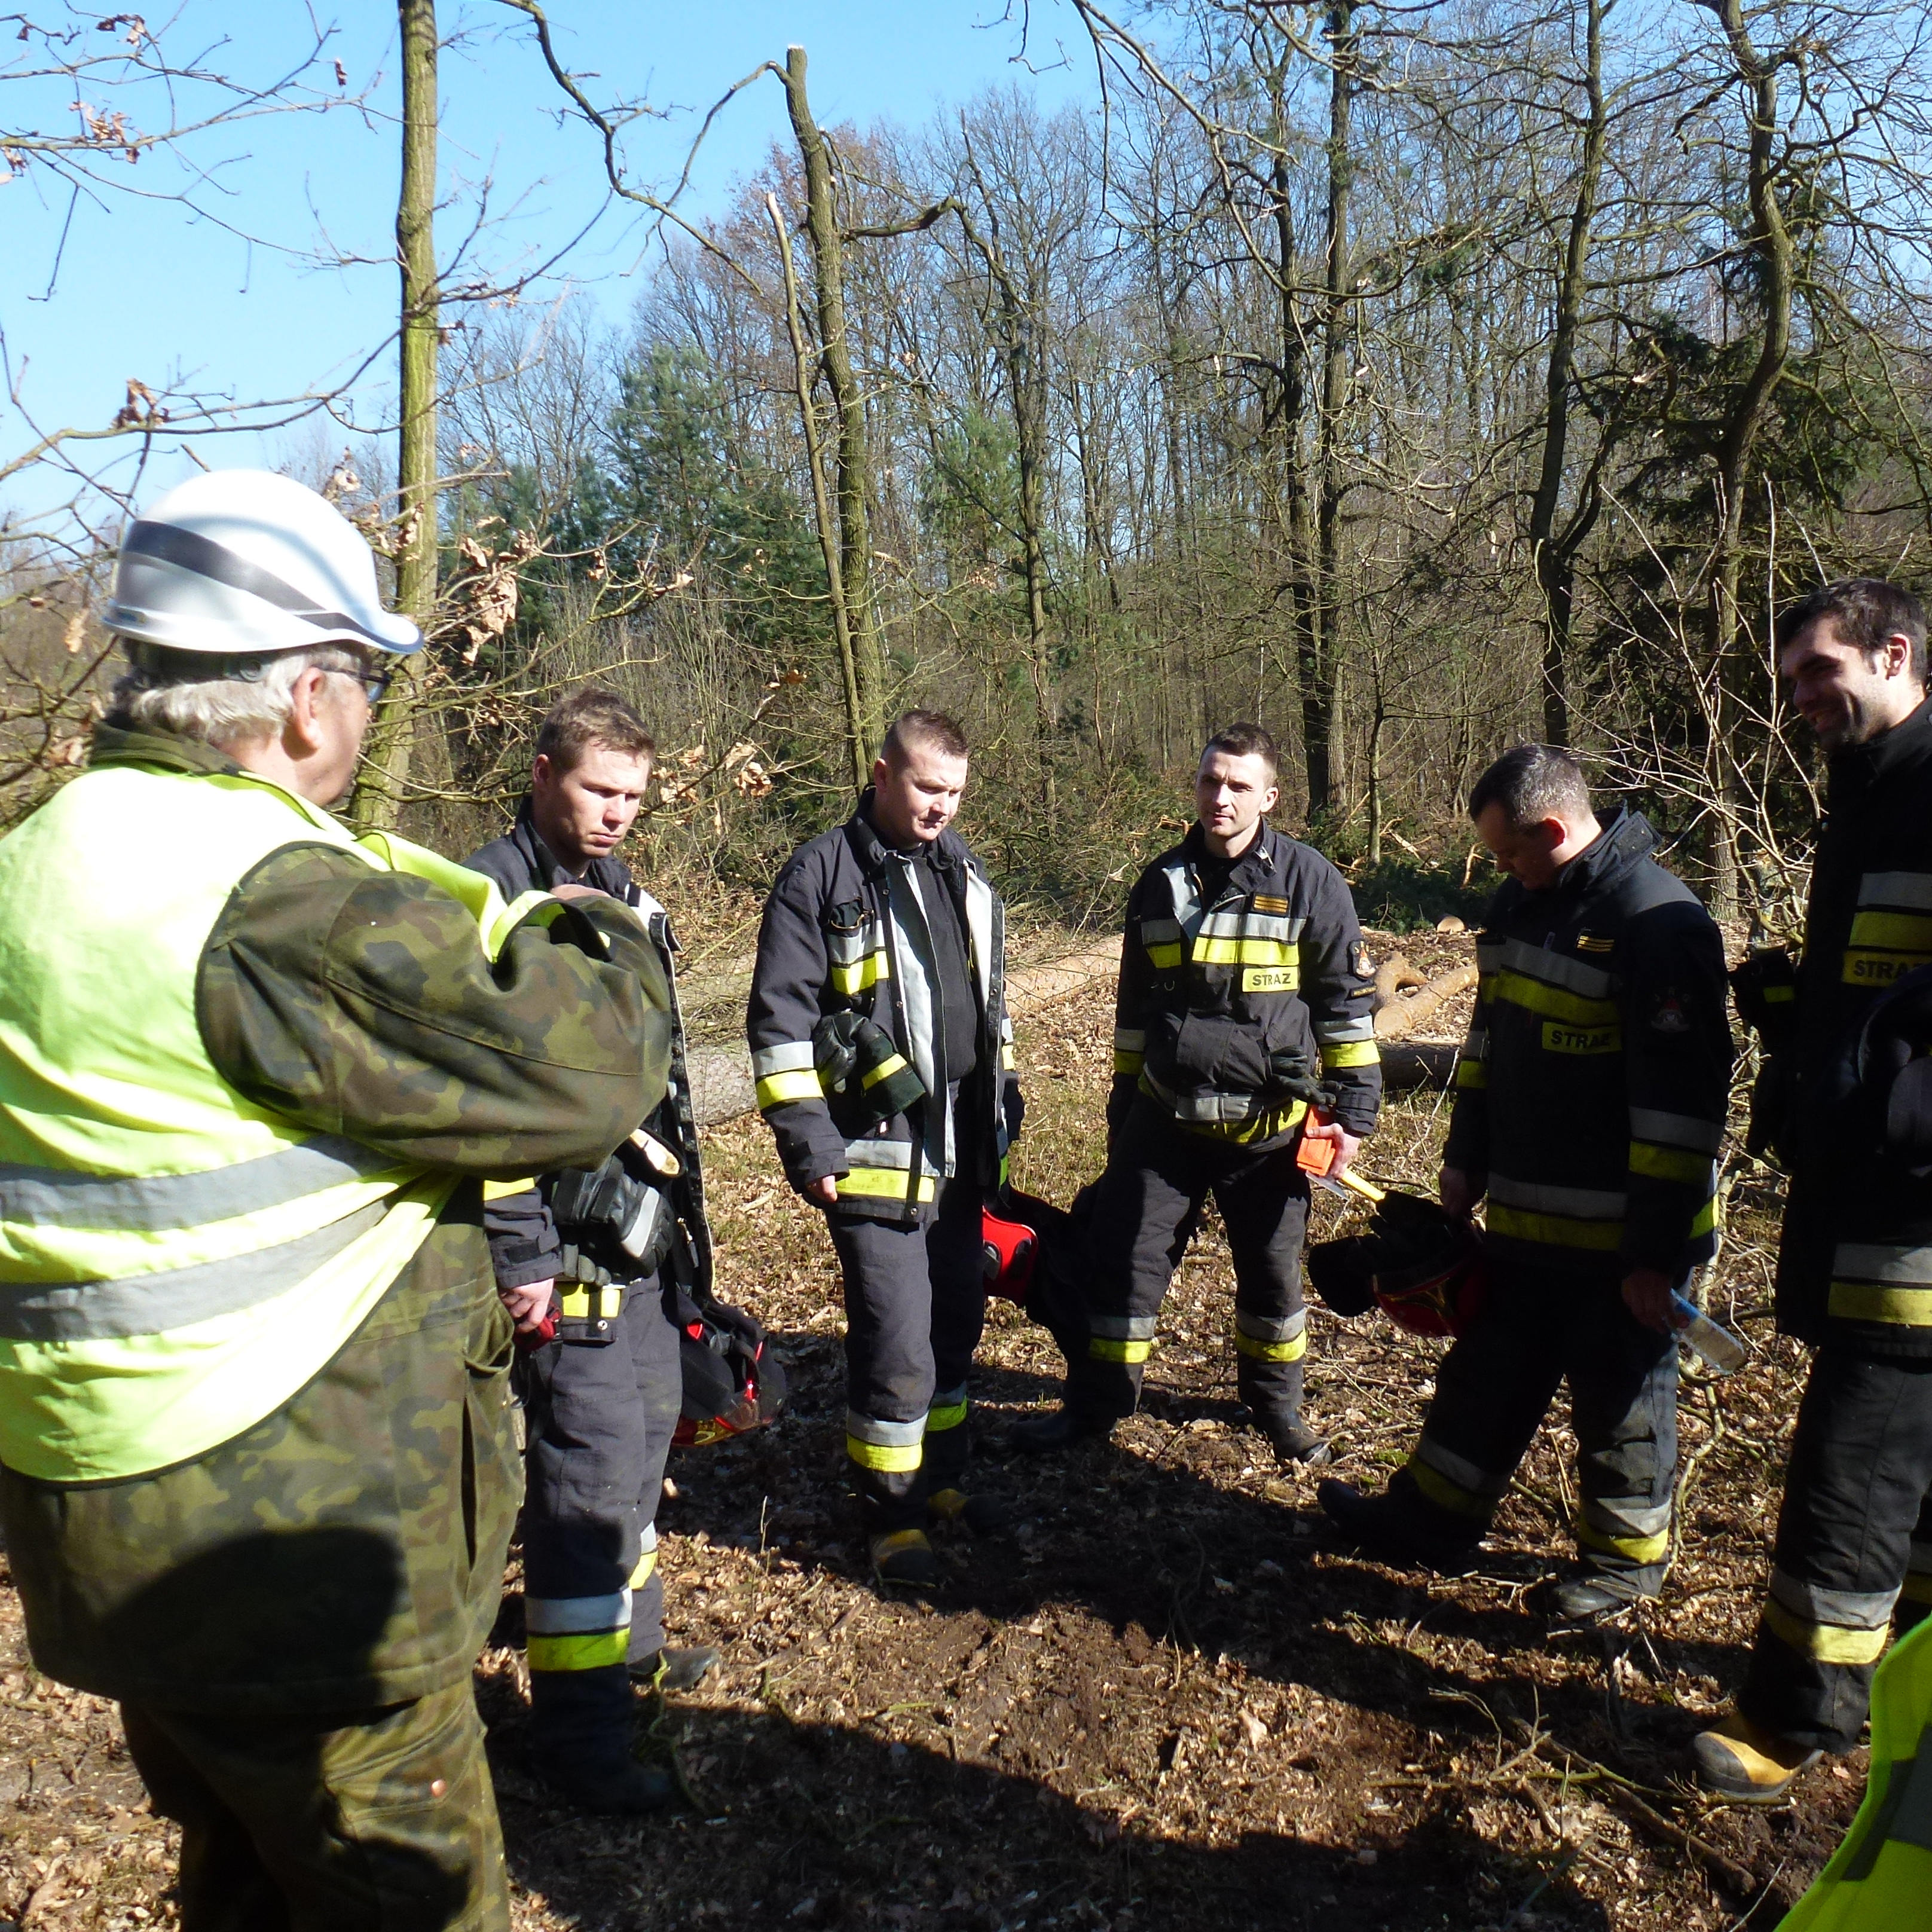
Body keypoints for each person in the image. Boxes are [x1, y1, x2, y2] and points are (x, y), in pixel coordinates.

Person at [0, 470, 671, 1928]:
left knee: (247, 1879)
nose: (365, 711)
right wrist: (600, 924)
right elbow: (592, 1062)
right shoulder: (274, 901)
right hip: (288, 1550)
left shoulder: (39, 859)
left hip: (105, 1522)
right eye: (363, 677)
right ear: (308, 700)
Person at [1317, 745, 1732, 1621]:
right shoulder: (1519, 906)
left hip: (1623, 1242)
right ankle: (1431, 1520)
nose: (1500, 869)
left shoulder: (1661, 924)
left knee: (1621, 1401)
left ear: (1551, 828)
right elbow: (1485, 1044)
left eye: (1508, 852)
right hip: (1522, 1221)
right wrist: (1464, 1154)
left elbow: (1683, 1111)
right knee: (1488, 1374)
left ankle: (1621, 1568)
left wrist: (1655, 1253)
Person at [1695, 580, 1932, 1800]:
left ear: (1893, 651)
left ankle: (1796, 1718)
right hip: (1864, 1186)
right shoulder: (1867, 790)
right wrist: (1806, 1027)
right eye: (1787, 680)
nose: (1797, 699)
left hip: (1913, 1211)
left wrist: (1898, 1100)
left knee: (1852, 1463)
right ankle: (1904, 1682)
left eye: (1816, 671)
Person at [464, 686, 720, 1815]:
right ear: (541, 774)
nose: (617, 813)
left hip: (643, 1241)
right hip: (563, 1252)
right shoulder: (491, 902)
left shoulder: (624, 896)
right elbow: (484, 1106)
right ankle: (579, 1733)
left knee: (643, 1444)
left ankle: (635, 1656)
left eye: (632, 796)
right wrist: (521, 1253)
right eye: (597, 789)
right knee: (584, 1477)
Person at [1014, 722, 1380, 1463]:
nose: (1221, 797)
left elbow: (1345, 1006)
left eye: (1239, 785)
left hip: (1268, 1131)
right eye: (1211, 781)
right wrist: (1123, 1111)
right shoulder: (1160, 882)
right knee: (1122, 1268)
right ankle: (1095, 1405)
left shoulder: (1310, 882)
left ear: (1269, 797)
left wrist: (1352, 1113)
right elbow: (1133, 1010)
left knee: (1271, 1279)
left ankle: (1275, 1410)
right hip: (1165, 1123)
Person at [747, 711, 1022, 1590]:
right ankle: (890, 1518)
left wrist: (1005, 1100)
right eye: (927, 788)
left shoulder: (961, 867)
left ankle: (942, 1481)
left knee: (954, 1325)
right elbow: (779, 1024)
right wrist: (808, 1142)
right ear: (880, 774)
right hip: (876, 1152)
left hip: (961, 1152)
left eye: (955, 793)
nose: (942, 807)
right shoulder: (821, 876)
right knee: (898, 1342)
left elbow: (989, 1003)